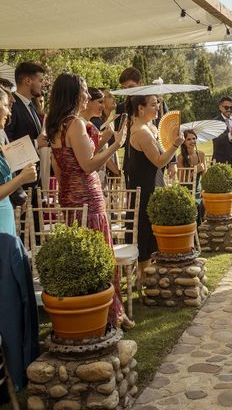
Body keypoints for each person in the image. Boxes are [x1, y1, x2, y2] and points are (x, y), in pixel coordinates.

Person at [46, 73, 131, 329]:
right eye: (84, 90)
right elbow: (88, 164)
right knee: (100, 254)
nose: (88, 95)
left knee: (80, 253)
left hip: (69, 198)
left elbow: (59, 170)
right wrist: (117, 145)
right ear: (74, 94)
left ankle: (99, 311)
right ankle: (110, 314)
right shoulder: (76, 124)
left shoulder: (55, 125)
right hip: (88, 200)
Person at [125, 94, 184, 281]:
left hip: (151, 184)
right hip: (145, 187)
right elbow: (159, 161)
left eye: (158, 103)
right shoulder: (141, 131)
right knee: (145, 231)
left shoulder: (148, 127)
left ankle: (149, 275)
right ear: (141, 108)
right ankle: (144, 277)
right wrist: (175, 145)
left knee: (149, 231)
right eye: (153, 104)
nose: (158, 107)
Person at [119, 67, 175, 181]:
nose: (128, 92)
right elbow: (120, 139)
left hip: (155, 159)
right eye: (124, 88)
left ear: (140, 83)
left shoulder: (156, 104)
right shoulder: (122, 108)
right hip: (132, 161)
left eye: (130, 87)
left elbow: (167, 132)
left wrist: (172, 162)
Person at [0, 88, 37, 234]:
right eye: (5, 105)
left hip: (6, 214)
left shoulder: (1, 134)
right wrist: (21, 178)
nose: (9, 112)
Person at [90, 88, 121, 178]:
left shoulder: (105, 122)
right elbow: (99, 151)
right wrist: (116, 171)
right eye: (110, 96)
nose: (114, 98)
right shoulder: (96, 123)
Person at [177, 129, 206, 220]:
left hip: (198, 190)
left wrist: (204, 190)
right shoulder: (180, 158)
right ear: (184, 142)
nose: (192, 141)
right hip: (186, 191)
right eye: (188, 139)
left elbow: (205, 176)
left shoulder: (201, 155)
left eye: (194, 138)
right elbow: (181, 179)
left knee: (203, 206)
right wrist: (195, 170)